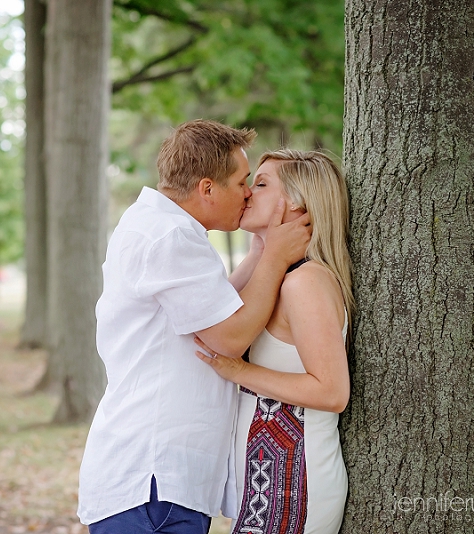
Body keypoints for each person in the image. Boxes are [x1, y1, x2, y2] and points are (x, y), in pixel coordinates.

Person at [78, 121, 312, 534]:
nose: (246, 193)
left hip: (159, 484)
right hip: (152, 483)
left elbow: (217, 306)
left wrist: (260, 250)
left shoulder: (160, 226)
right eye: (242, 182)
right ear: (207, 189)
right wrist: (275, 258)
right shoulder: (170, 236)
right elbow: (229, 337)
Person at [194, 148, 353, 534]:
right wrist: (264, 251)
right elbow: (210, 324)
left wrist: (240, 371)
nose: (247, 192)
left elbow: (332, 392)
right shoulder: (275, 277)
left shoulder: (305, 283)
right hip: (265, 479)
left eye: (261, 184)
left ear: (298, 202)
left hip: (295, 480)